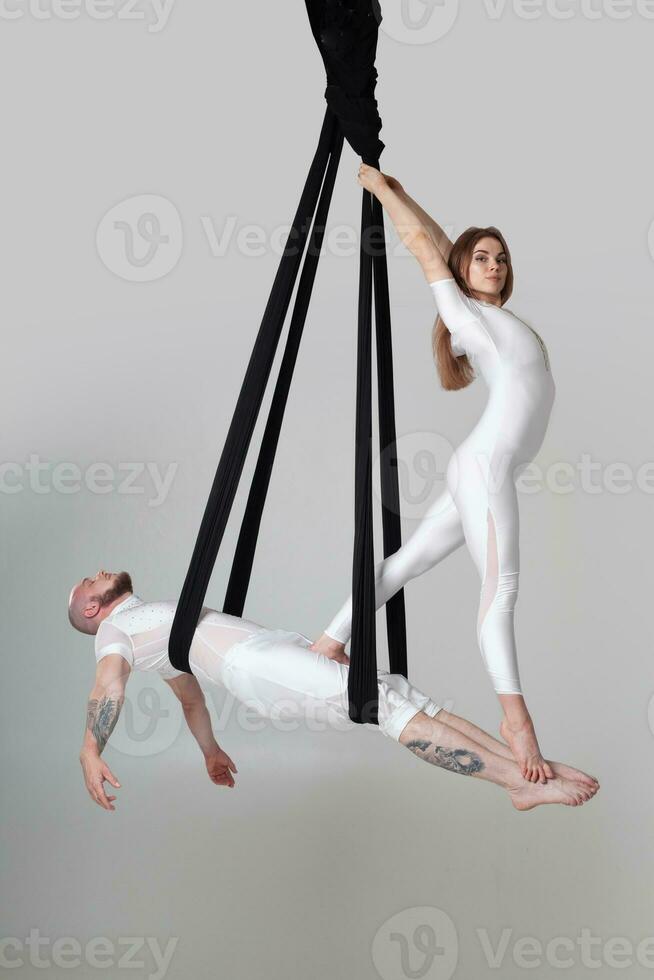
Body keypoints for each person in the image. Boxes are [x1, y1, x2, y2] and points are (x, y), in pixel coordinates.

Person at [312, 164, 558, 785]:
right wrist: (377, 190)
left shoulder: (502, 320)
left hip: (479, 468)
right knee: (499, 592)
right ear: (464, 271)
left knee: (408, 561)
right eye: (481, 257)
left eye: (499, 257)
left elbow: (438, 235)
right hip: (485, 469)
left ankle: (330, 641)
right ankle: (517, 723)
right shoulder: (465, 313)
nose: (494, 264)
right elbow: (426, 245)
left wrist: (399, 190)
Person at [69, 571, 599, 813]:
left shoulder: (149, 632)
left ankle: (529, 769)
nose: (99, 574)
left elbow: (189, 698)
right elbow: (109, 684)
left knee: (396, 693)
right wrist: (91, 749)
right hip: (257, 667)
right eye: (89, 583)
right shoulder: (116, 634)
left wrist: (210, 751)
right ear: (92, 609)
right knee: (385, 707)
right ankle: (515, 783)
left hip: (273, 652)